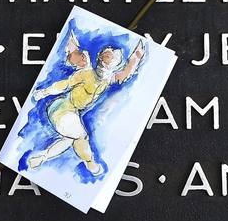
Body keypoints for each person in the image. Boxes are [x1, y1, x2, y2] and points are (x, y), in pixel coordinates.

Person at [27, 32, 146, 174]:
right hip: (62, 108)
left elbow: (126, 72)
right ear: (99, 60)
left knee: (70, 139)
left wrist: (136, 57)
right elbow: (65, 85)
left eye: (109, 64)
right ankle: (91, 163)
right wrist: (44, 92)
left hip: (73, 113)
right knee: (81, 136)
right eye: (103, 61)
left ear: (114, 67)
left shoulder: (108, 80)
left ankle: (42, 157)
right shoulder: (86, 73)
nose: (104, 67)